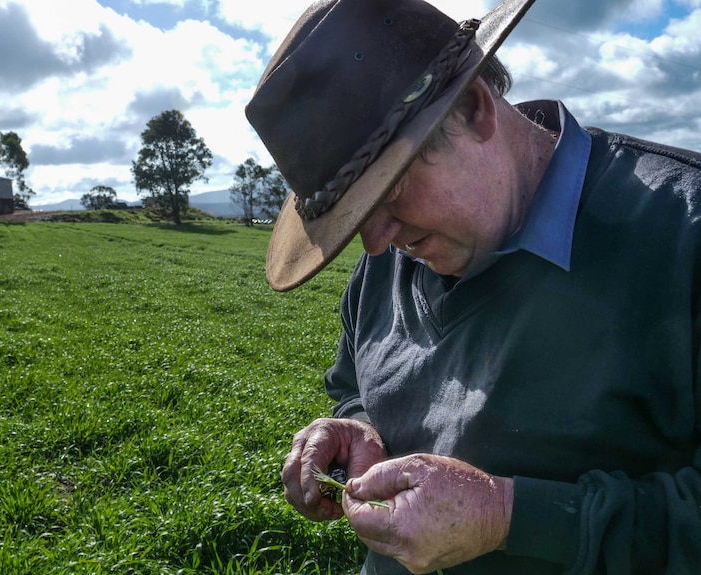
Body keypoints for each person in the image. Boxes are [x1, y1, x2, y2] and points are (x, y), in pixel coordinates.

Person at [244, 0, 701, 573]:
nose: (377, 244)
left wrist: (508, 516)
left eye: (388, 193)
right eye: (353, 218)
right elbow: (352, 382)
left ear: (476, 110)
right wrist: (355, 425)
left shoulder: (684, 237)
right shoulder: (389, 254)